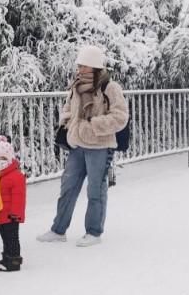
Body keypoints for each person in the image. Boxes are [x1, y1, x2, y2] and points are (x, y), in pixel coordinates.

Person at [38, 44, 129, 247]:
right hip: (77, 144)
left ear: (94, 66)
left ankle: (94, 232)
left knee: (95, 190)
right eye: (79, 65)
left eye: (83, 65)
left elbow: (121, 117)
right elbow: (68, 107)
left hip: (100, 145)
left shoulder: (110, 87)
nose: (79, 69)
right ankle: (58, 230)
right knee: (68, 187)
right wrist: (69, 123)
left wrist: (93, 126)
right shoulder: (76, 86)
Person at [0, 139, 26, 272]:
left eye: (4, 159)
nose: (0, 163)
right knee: (5, 238)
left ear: (10, 159)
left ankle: (14, 261)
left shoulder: (15, 176)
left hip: (10, 215)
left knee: (12, 238)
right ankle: (6, 258)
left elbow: (19, 197)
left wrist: (16, 214)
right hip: (1, 213)